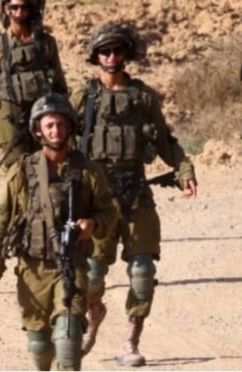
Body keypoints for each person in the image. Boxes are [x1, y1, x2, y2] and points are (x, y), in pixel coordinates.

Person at [70, 23, 197, 365]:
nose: (112, 56)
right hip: (97, 199)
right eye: (105, 51)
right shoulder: (83, 97)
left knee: (142, 271)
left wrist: (184, 170)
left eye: (118, 50)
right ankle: (94, 311)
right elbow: (62, 143)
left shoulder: (143, 97)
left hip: (136, 194)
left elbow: (165, 141)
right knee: (92, 273)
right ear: (95, 56)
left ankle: (130, 341)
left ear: (126, 54)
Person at [0, 93, 117, 371]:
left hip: (71, 264)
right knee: (40, 346)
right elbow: (2, 217)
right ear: (38, 131)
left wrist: (93, 225)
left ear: (69, 127)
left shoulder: (89, 171)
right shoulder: (22, 170)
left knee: (68, 340)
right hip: (32, 268)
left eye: (60, 124)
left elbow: (109, 213)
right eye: (49, 125)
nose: (56, 130)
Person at [0, 0, 69, 168]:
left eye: (24, 7)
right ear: (6, 9)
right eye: (14, 7)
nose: (19, 12)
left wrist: (67, 119)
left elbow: (59, 84)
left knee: (47, 170)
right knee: (18, 172)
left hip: (44, 116)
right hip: (12, 117)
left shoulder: (46, 43)